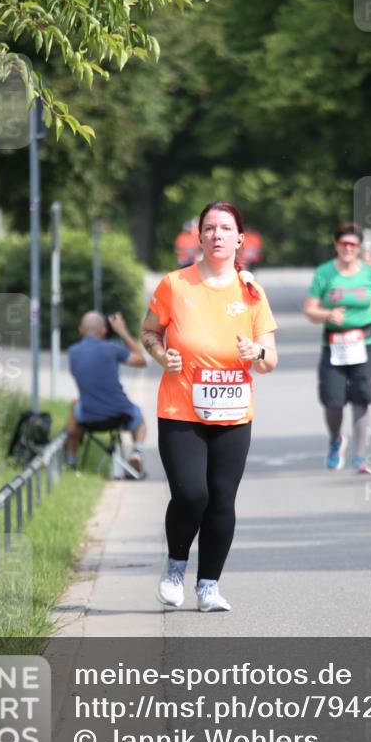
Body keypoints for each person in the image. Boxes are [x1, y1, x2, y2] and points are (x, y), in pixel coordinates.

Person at [141, 200, 278, 612]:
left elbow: (270, 360)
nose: (217, 235)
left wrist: (256, 352)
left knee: (221, 498)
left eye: (225, 228)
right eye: (210, 228)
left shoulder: (252, 292)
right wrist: (162, 355)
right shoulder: (174, 285)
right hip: (181, 407)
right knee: (191, 494)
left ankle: (209, 586)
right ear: (198, 236)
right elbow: (149, 332)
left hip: (234, 411)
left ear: (240, 239)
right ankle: (175, 567)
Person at [304, 222, 371, 474]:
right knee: (333, 401)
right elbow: (310, 310)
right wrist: (326, 315)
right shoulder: (325, 273)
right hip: (334, 344)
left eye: (353, 244)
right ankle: (336, 440)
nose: (348, 248)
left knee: (361, 398)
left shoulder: (370, 273)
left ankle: (360, 456)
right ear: (336, 246)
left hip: (365, 344)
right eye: (343, 243)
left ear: (358, 248)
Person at [67, 311, 147, 473]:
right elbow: (142, 360)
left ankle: (71, 461)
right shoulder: (112, 348)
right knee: (140, 418)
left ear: (80, 329)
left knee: (74, 405)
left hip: (89, 417)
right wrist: (122, 332)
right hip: (120, 414)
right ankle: (136, 452)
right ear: (104, 330)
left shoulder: (73, 353)